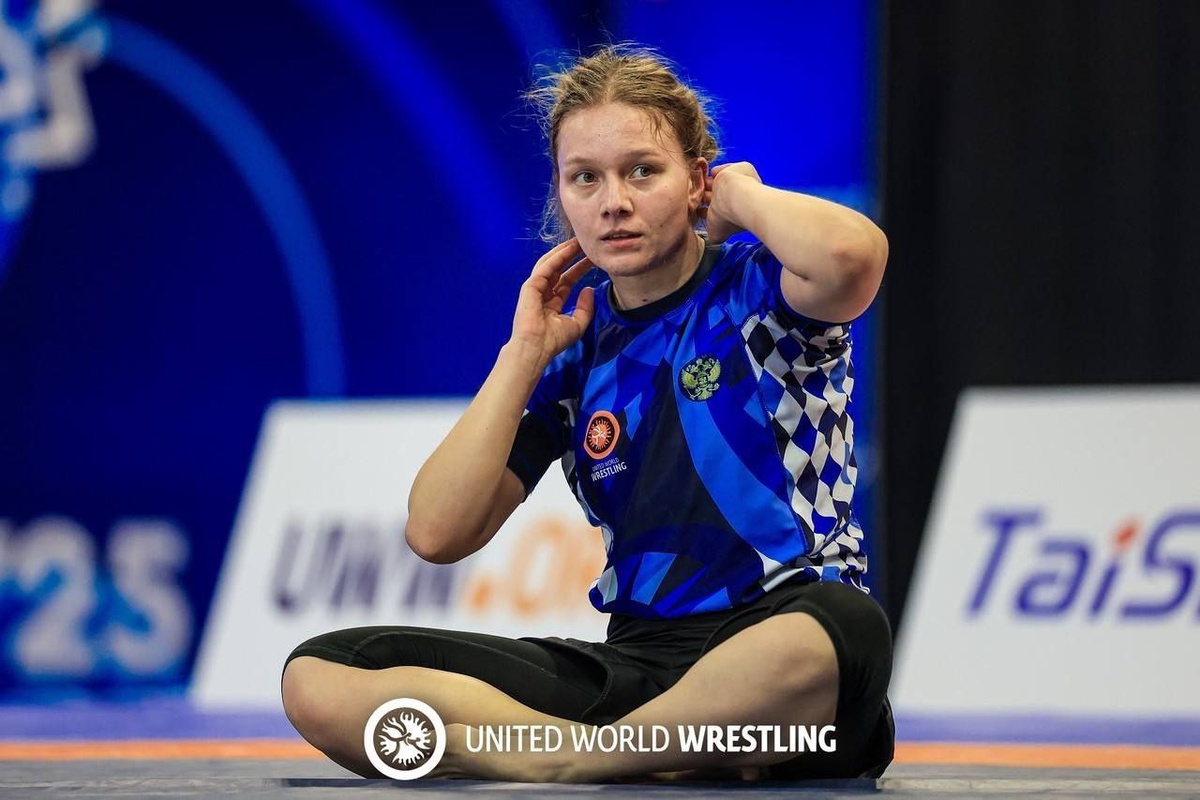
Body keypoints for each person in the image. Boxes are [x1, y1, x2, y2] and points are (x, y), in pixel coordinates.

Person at [281, 44, 892, 783]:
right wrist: (522, 355)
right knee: (321, 676)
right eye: (586, 178)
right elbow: (437, 532)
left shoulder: (762, 290)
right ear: (561, 195)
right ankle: (641, 756)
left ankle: (575, 758)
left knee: (839, 628)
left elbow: (853, 256)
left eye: (643, 171)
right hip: (637, 670)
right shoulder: (574, 351)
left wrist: (740, 197)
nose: (614, 202)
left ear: (695, 181)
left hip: (783, 651)